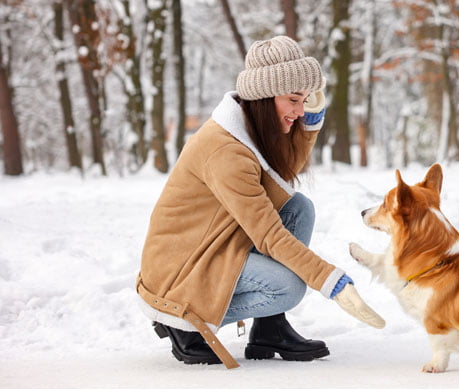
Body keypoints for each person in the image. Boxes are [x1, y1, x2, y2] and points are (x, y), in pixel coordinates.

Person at [136, 36, 384, 369]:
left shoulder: (246, 127)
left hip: (215, 245)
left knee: (299, 208)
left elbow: (277, 182)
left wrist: (309, 127)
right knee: (288, 286)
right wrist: (332, 283)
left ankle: (269, 328)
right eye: (294, 100)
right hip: (183, 268)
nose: (299, 110)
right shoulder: (226, 151)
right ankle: (183, 319)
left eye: (305, 100)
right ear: (265, 97)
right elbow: (268, 235)